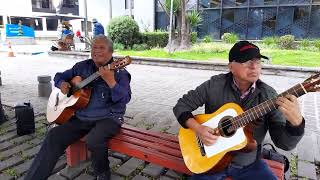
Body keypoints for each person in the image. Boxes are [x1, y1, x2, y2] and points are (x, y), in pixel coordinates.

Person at [173, 41, 305, 180]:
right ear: (231, 66)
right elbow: (181, 105)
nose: (254, 66)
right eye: (246, 61)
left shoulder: (269, 96)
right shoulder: (214, 85)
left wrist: (296, 125)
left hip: (249, 165)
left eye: (258, 61)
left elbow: (283, 143)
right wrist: (198, 129)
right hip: (210, 161)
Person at [25, 35, 131, 180]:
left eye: (102, 48)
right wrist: (62, 84)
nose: (97, 51)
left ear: (111, 52)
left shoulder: (120, 73)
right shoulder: (82, 67)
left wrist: (111, 81)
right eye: (94, 47)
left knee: (94, 139)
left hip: (109, 118)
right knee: (53, 135)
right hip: (82, 117)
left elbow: (125, 99)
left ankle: (103, 174)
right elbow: (59, 76)